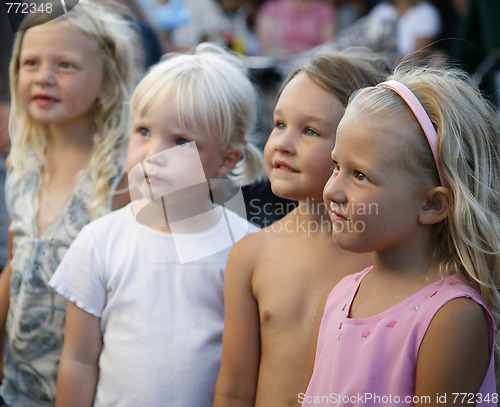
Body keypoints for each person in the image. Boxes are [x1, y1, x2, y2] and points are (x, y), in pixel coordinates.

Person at [49, 43, 266, 407]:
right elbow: (78, 360)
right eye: (144, 132)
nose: (153, 155)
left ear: (226, 160)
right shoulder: (100, 240)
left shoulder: (247, 248)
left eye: (180, 141)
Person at [301, 64, 499, 405]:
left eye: (360, 175)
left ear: (432, 204)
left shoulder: (452, 317)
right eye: (337, 166)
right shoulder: (338, 297)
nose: (333, 189)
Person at [214, 47, 392, 407]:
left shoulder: (386, 259)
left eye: (309, 131)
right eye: (279, 124)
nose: (282, 143)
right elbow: (234, 388)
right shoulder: (252, 255)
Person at [0, 1, 138, 405]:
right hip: (18, 386)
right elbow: (16, 264)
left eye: (65, 65)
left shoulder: (126, 173)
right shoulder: (21, 164)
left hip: (91, 390)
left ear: (107, 83)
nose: (43, 77)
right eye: (30, 63)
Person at [256, 0, 337, 59]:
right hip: (281, 64)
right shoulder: (271, 8)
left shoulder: (324, 9)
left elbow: (328, 47)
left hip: (313, 65)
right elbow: (266, 50)